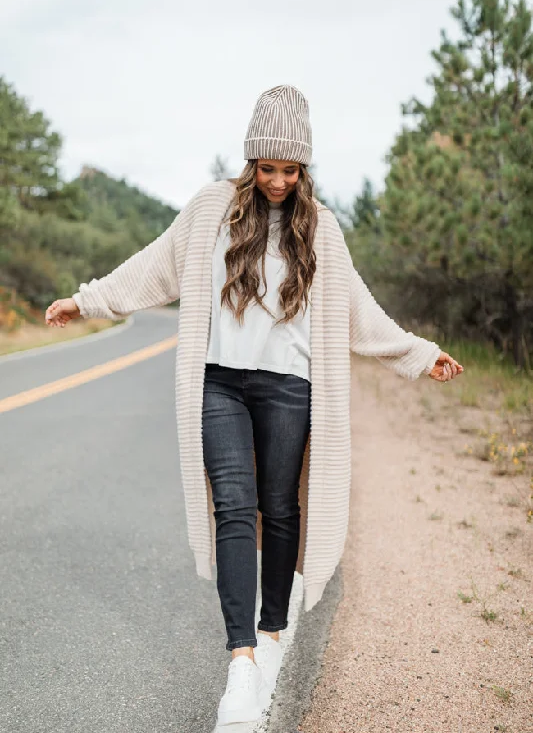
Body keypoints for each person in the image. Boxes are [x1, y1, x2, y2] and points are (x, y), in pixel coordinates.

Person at [45, 84, 463, 726]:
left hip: (289, 386)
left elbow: (357, 311)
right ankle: (241, 659)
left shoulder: (322, 228)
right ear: (250, 161)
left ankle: (272, 633)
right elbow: (156, 266)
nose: (276, 181)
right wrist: (89, 300)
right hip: (220, 382)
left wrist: (417, 352)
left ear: (304, 168)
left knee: (279, 506)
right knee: (234, 507)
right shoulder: (212, 209)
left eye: (289, 170)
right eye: (266, 167)